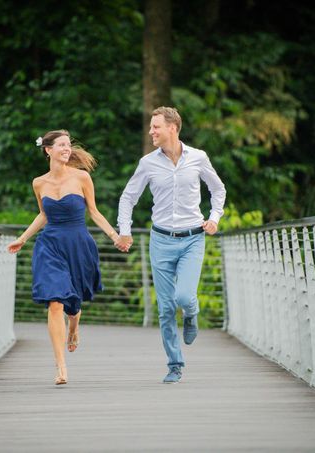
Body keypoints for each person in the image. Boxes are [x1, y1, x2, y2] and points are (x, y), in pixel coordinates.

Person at [116, 107, 226, 384]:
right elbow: (128, 198)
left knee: (184, 297)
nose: (151, 131)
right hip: (161, 241)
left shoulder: (198, 158)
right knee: (165, 309)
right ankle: (175, 364)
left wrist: (214, 218)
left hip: (192, 239)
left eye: (156, 127)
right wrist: (125, 231)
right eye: (151, 127)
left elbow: (218, 189)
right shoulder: (147, 163)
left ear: (172, 128)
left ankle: (192, 313)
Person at [7, 130, 122, 385]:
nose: (66, 148)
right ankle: (61, 367)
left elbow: (94, 212)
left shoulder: (82, 177)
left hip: (78, 243)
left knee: (73, 303)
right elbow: (43, 214)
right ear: (48, 150)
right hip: (49, 244)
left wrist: (115, 236)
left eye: (68, 145)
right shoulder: (39, 183)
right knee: (55, 301)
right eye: (61, 145)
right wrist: (23, 238)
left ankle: (74, 326)